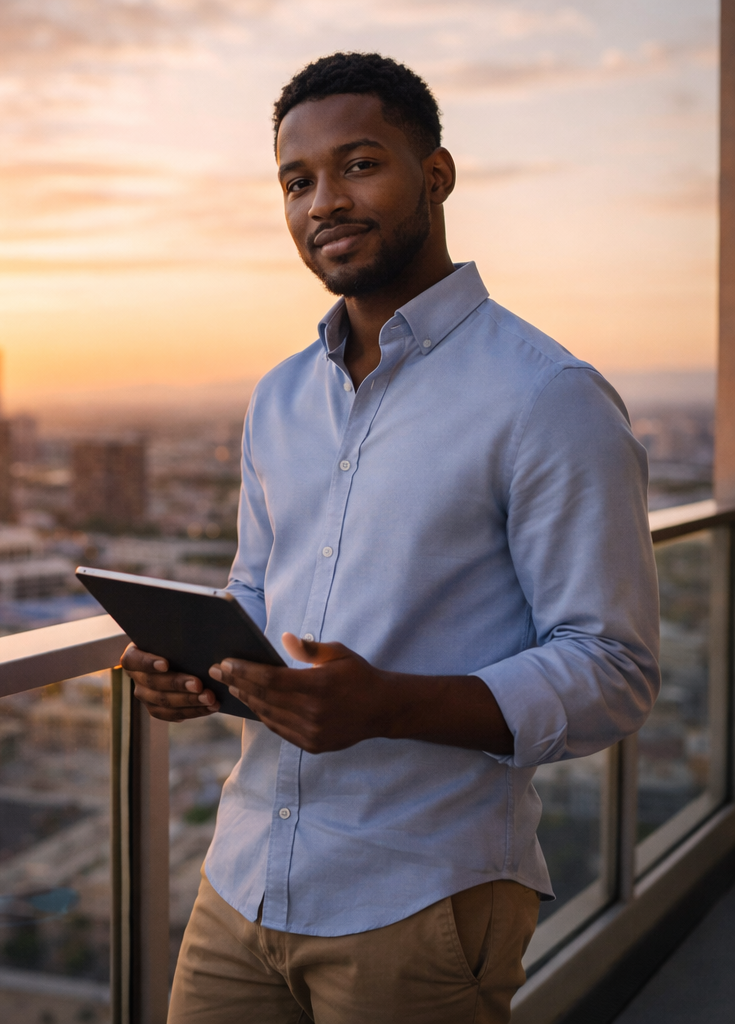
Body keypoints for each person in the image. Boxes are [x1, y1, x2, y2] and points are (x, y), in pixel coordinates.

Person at [123, 51, 660, 1024]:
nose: (323, 200)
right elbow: (258, 597)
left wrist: (388, 705)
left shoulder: (548, 397)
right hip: (243, 878)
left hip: (422, 895)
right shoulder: (279, 397)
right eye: (297, 181)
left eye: (358, 164)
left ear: (436, 176)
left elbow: (612, 667)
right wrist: (196, 671)